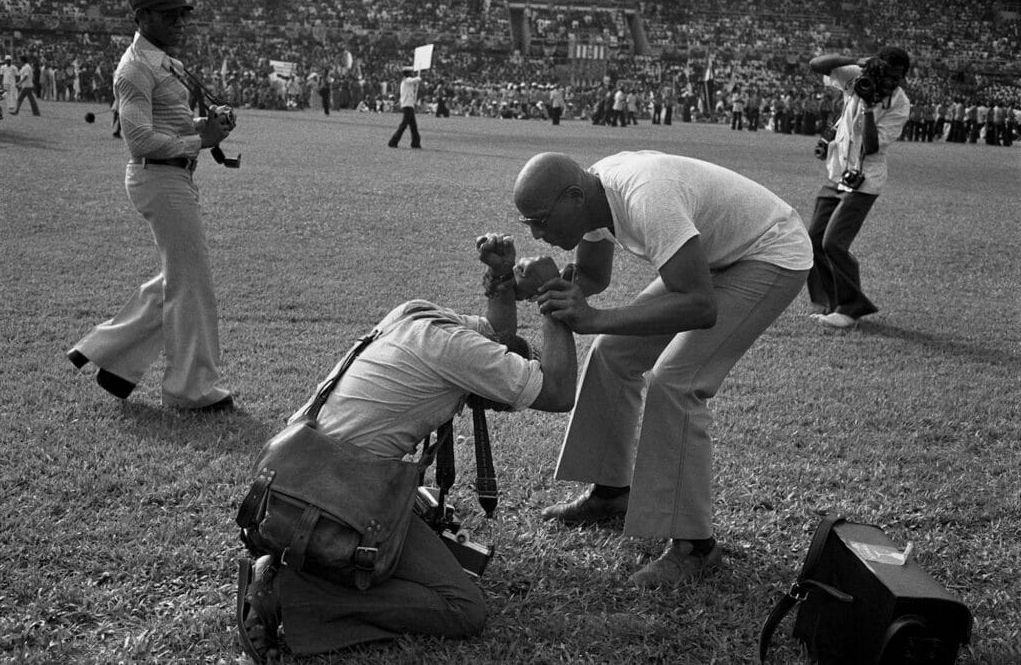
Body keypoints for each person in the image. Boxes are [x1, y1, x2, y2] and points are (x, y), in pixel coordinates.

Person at [235, 236, 578, 662]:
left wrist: (503, 281)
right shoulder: (459, 351)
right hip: (337, 490)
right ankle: (289, 593)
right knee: (463, 607)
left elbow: (500, 334)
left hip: (289, 470)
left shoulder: (417, 316)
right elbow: (561, 392)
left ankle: (292, 563)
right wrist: (553, 300)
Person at [511, 150, 812, 588]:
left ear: (574, 197)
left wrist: (593, 318)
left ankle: (696, 547)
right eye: (528, 225)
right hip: (716, 256)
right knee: (613, 351)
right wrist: (547, 288)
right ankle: (611, 492)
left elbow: (699, 305)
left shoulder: (646, 197)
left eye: (540, 220)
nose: (537, 234)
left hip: (771, 253)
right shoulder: (593, 197)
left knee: (678, 380)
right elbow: (593, 277)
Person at [66, 0, 237, 411]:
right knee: (192, 284)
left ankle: (112, 358)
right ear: (142, 17)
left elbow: (171, 123)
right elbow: (138, 138)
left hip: (172, 177)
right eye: (168, 15)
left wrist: (208, 124)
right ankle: (189, 390)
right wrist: (201, 140)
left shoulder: (164, 63)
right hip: (158, 178)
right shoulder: (135, 69)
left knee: (180, 277)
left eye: (182, 14)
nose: (179, 22)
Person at [805, 47, 910, 328]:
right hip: (837, 173)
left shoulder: (899, 103)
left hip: (866, 180)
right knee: (813, 240)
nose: (889, 82)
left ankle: (850, 309)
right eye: (885, 74)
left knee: (833, 243)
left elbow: (873, 146)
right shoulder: (856, 76)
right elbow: (816, 64)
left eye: (897, 78)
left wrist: (868, 108)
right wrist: (856, 60)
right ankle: (831, 303)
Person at [388, 66, 422, 148]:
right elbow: (416, 80)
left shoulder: (405, 82)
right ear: (407, 74)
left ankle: (415, 142)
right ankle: (393, 141)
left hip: (409, 105)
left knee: (413, 126)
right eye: (410, 73)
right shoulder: (407, 80)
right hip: (407, 105)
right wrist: (419, 77)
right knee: (403, 125)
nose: (412, 74)